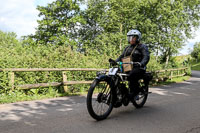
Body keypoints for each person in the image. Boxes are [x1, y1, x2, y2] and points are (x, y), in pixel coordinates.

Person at [115, 29, 150, 100]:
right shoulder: (127, 47)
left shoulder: (142, 46)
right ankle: (118, 91)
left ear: (138, 38)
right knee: (115, 74)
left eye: (133, 37)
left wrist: (141, 63)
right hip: (127, 67)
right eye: (129, 37)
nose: (131, 39)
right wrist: (115, 61)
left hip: (138, 67)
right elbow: (122, 56)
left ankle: (135, 92)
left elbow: (146, 56)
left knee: (132, 74)